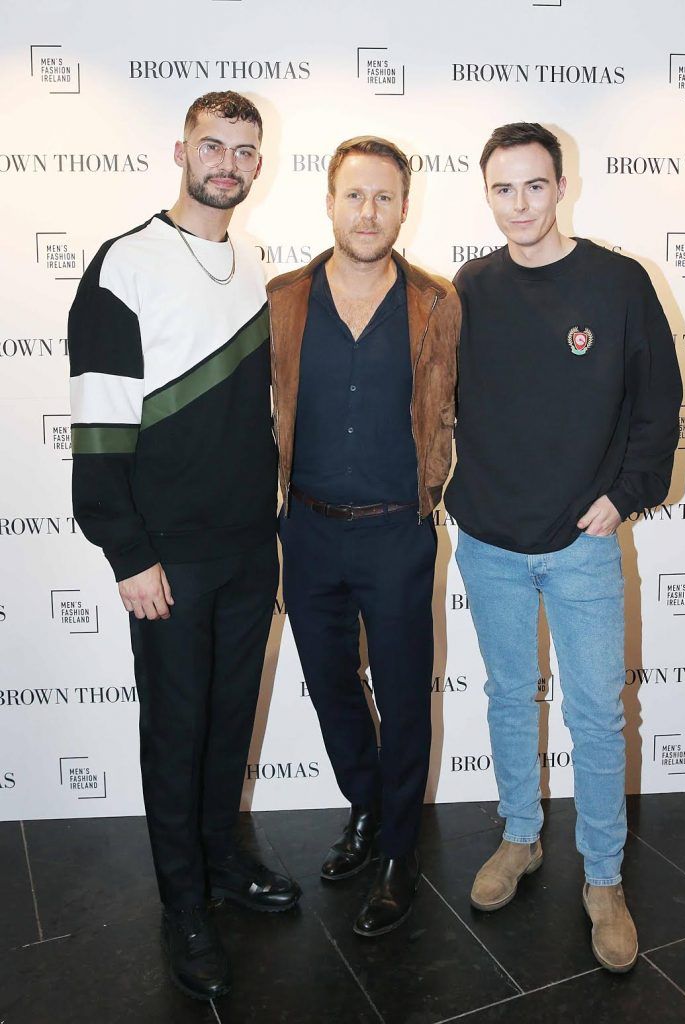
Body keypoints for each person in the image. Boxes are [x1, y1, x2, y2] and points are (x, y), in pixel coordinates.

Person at [68, 91, 300, 1002]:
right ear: (181, 149)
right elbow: (95, 430)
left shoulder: (251, 261)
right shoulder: (123, 264)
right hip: (167, 556)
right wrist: (127, 553)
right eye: (214, 145)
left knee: (226, 724)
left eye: (246, 150)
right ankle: (183, 906)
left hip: (251, 549)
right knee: (176, 733)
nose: (229, 164)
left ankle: (220, 863)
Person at [446, 122, 682, 973]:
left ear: (561, 185)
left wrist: (624, 495)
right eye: (503, 189)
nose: (520, 205)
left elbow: (661, 402)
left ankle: (605, 877)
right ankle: (519, 837)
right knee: (511, 697)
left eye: (534, 186)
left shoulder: (619, 282)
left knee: (596, 715)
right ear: (488, 194)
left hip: (582, 545)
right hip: (490, 540)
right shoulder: (470, 285)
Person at [268, 136, 460, 937]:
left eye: (384, 197)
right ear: (329, 201)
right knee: (332, 684)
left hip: (396, 534)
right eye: (355, 196)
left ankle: (398, 852)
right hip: (307, 530)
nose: (369, 212)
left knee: (406, 694)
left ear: (404, 207)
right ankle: (366, 807)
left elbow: (468, 405)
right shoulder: (282, 297)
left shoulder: (436, 303)